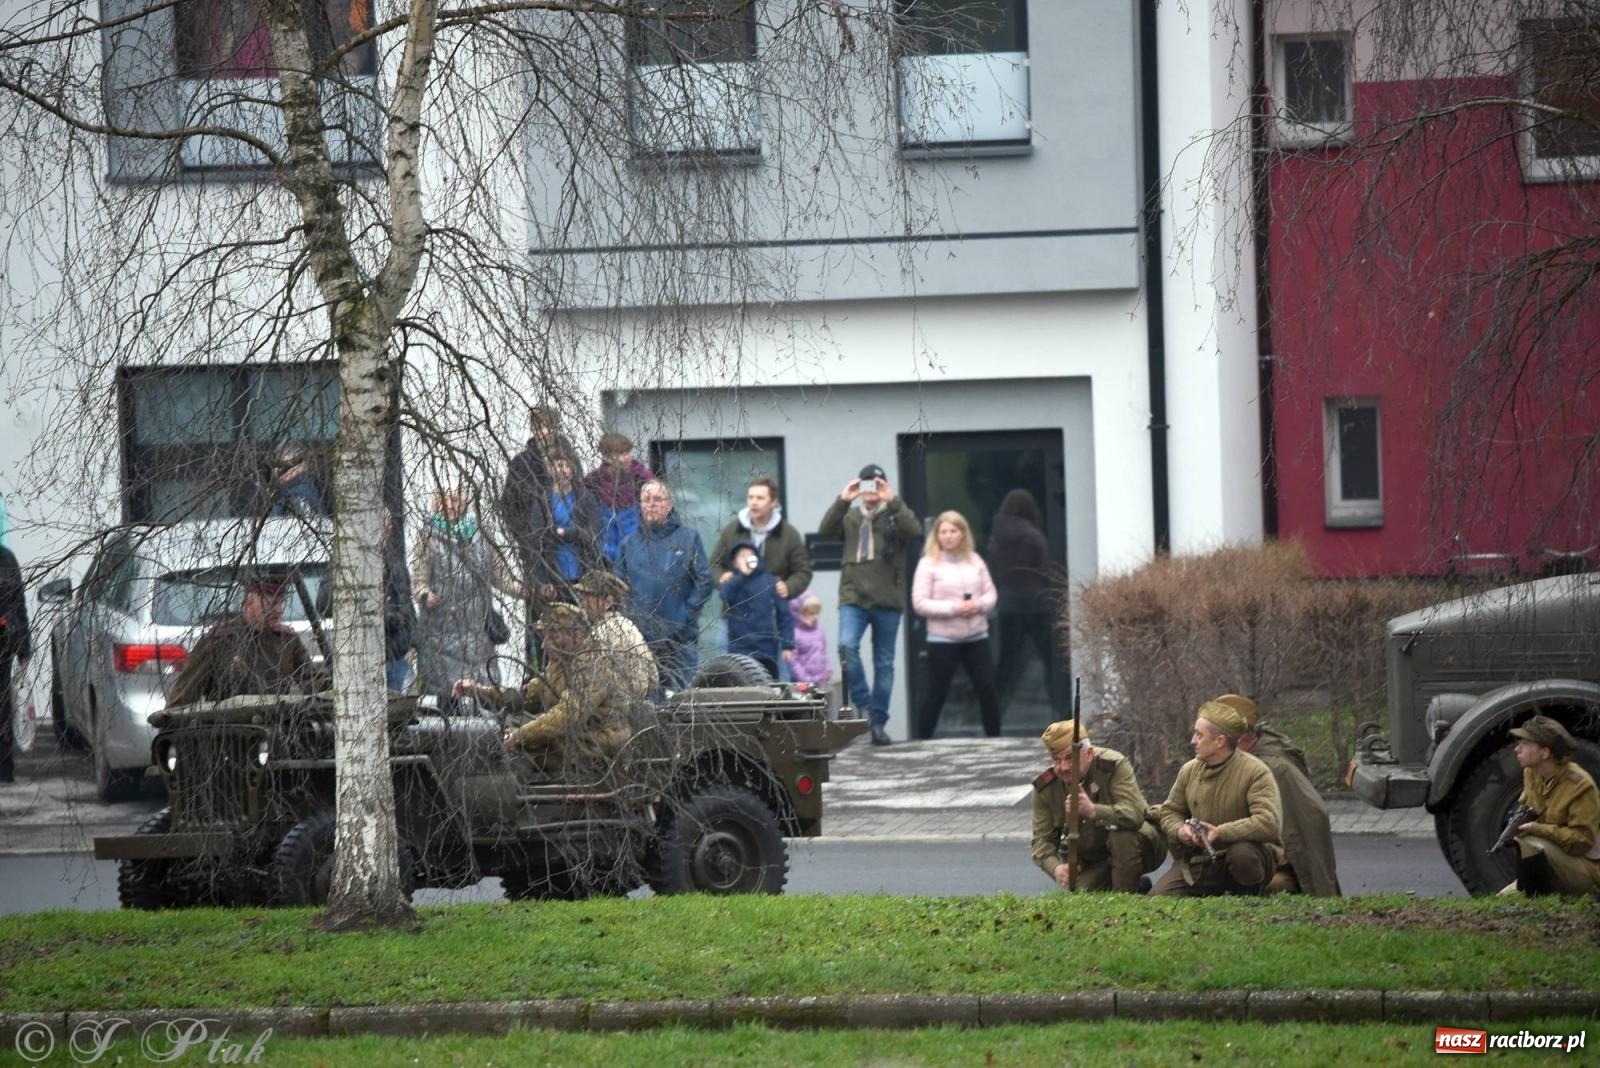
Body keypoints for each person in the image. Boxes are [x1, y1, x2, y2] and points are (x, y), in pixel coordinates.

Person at [456, 602, 650, 772]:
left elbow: (565, 716)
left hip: (595, 744)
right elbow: (528, 696)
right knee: (504, 728)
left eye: (552, 636)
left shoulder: (594, 667)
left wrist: (519, 736)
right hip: (575, 737)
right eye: (544, 636)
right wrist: (481, 691)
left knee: (520, 748)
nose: (544, 645)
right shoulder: (561, 664)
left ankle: (518, 803)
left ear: (575, 636)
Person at [817, 464, 922, 746]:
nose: (871, 490)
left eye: (876, 484)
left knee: (884, 664)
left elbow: (915, 531)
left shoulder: (895, 517)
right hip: (853, 597)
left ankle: (879, 723)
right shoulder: (850, 518)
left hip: (888, 599)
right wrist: (843, 499)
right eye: (866, 484)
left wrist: (893, 500)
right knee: (846, 647)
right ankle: (864, 705)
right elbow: (825, 530)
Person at [1150, 698, 1284, 896]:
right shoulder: (1189, 770)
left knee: (1242, 854)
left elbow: (1268, 822)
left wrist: (1220, 832)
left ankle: (1251, 898)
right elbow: (1170, 811)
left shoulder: (1255, 772)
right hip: (1201, 860)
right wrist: (1181, 831)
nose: (1192, 740)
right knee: (1158, 898)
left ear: (1219, 741)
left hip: (1246, 858)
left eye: (1198, 735)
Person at [1220, 693, 1342, 896]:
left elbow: (1312, 816)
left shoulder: (1275, 768)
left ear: (1239, 739)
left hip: (1278, 868)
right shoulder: (1235, 761)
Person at [411, 488, 526, 698]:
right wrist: (425, 595)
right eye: (444, 501)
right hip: (442, 633)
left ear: (465, 503)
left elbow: (500, 574)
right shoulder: (428, 537)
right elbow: (418, 579)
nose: (451, 505)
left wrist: (522, 589)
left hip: (478, 635)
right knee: (448, 693)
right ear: (436, 504)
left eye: (455, 500)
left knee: (482, 692)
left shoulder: (482, 534)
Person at [1031, 722, 1164, 893]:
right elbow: (1042, 841)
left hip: (1139, 844)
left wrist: (1094, 811)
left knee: (1121, 835)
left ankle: (1126, 898)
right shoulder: (1046, 788)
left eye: (1070, 758)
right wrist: (1056, 868)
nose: (1063, 767)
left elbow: (1136, 814)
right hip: (1094, 859)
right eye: (1056, 760)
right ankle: (1137, 886)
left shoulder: (1112, 766)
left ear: (1089, 753)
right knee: (1083, 897)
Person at [614, 480, 713, 691]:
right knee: (646, 699)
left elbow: (704, 581)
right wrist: (630, 620)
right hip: (641, 641)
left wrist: (686, 615)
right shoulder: (628, 544)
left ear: (669, 505)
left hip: (680, 638)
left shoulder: (689, 538)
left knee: (684, 702)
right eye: (646, 500)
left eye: (657, 499)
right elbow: (617, 587)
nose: (651, 504)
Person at [500, 405, 581, 662]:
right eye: (538, 426)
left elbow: (584, 506)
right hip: (537, 559)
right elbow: (509, 509)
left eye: (547, 426)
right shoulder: (522, 465)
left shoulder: (570, 460)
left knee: (576, 630)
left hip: (572, 563)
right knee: (539, 630)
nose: (543, 432)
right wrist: (528, 540)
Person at [910, 510, 1000, 739]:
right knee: (937, 692)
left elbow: (991, 593)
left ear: (962, 534)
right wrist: (953, 608)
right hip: (943, 639)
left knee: (987, 688)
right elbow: (919, 603)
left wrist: (978, 605)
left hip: (976, 635)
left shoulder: (975, 559)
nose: (948, 536)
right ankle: (922, 741)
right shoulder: (927, 564)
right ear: (937, 535)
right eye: (943, 532)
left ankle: (996, 740)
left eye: (953, 531)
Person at [165, 576, 318, 707]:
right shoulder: (219, 641)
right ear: (249, 602)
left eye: (281, 602)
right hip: (230, 734)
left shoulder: (287, 640)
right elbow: (181, 700)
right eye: (271, 604)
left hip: (276, 732)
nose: (278, 610)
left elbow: (314, 682)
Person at [314, 509, 417, 692]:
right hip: (358, 660)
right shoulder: (343, 562)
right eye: (377, 521)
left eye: (386, 522)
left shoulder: (396, 563)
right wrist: (370, 606)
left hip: (395, 659)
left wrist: (413, 644)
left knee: (396, 717)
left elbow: (406, 608)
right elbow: (323, 604)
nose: (384, 526)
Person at [1498, 715, 1600, 897]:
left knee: (1529, 842)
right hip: (1553, 860)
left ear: (1545, 753)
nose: (1517, 749)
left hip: (1586, 868)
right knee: (1502, 900)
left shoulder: (1580, 786)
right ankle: (1532, 896)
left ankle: (1539, 903)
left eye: (1526, 744)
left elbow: (1581, 842)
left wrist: (1538, 829)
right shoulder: (1531, 773)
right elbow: (1529, 806)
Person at [987, 489, 1062, 713]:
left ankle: (993, 715)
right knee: (1051, 661)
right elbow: (1044, 567)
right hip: (1037, 604)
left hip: (1008, 604)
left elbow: (992, 568)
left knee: (1006, 662)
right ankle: (1059, 710)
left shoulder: (995, 537)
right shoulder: (1034, 536)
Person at [710, 477, 814, 601]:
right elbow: (714, 565)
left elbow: (803, 571)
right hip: (735, 611)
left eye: (760, 498)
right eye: (750, 497)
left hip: (773, 610)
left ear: (773, 502)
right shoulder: (733, 530)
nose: (754, 502)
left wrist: (788, 587)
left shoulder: (788, 534)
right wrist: (721, 577)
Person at [572, 570, 658, 698]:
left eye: (588, 596)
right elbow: (653, 677)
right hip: (636, 705)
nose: (582, 601)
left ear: (608, 602)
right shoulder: (629, 626)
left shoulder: (600, 634)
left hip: (613, 710)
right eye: (581, 595)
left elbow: (587, 684)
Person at [719, 542, 794, 678]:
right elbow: (725, 596)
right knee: (740, 685)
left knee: (771, 686)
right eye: (742, 556)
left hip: (766, 647)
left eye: (750, 555)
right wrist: (742, 575)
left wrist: (787, 645)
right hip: (739, 648)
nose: (747, 558)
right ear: (735, 562)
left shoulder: (771, 582)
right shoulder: (733, 582)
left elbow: (784, 615)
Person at [535, 455, 601, 598]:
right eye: (559, 466)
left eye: (567, 466)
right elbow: (535, 543)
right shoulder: (542, 501)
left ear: (572, 469)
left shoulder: (586, 498)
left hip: (583, 578)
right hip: (554, 579)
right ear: (550, 470)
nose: (563, 471)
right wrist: (541, 582)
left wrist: (565, 532)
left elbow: (593, 536)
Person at [583, 432, 654, 564]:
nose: (628, 457)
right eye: (622, 454)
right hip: (606, 557)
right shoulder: (593, 482)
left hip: (638, 557)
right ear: (607, 458)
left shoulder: (642, 478)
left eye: (628, 452)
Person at [0, 543, 32, 783]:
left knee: (2, 706)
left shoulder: (7, 559)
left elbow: (19, 603)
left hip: (4, 642)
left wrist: (24, 647)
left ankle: (4, 767)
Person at [787, 593, 832, 687]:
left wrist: (828, 668)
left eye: (817, 613)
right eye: (811, 614)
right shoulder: (795, 634)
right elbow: (793, 660)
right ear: (800, 614)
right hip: (803, 683)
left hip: (820, 679)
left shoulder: (820, 632)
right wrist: (804, 678)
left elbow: (823, 652)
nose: (816, 616)